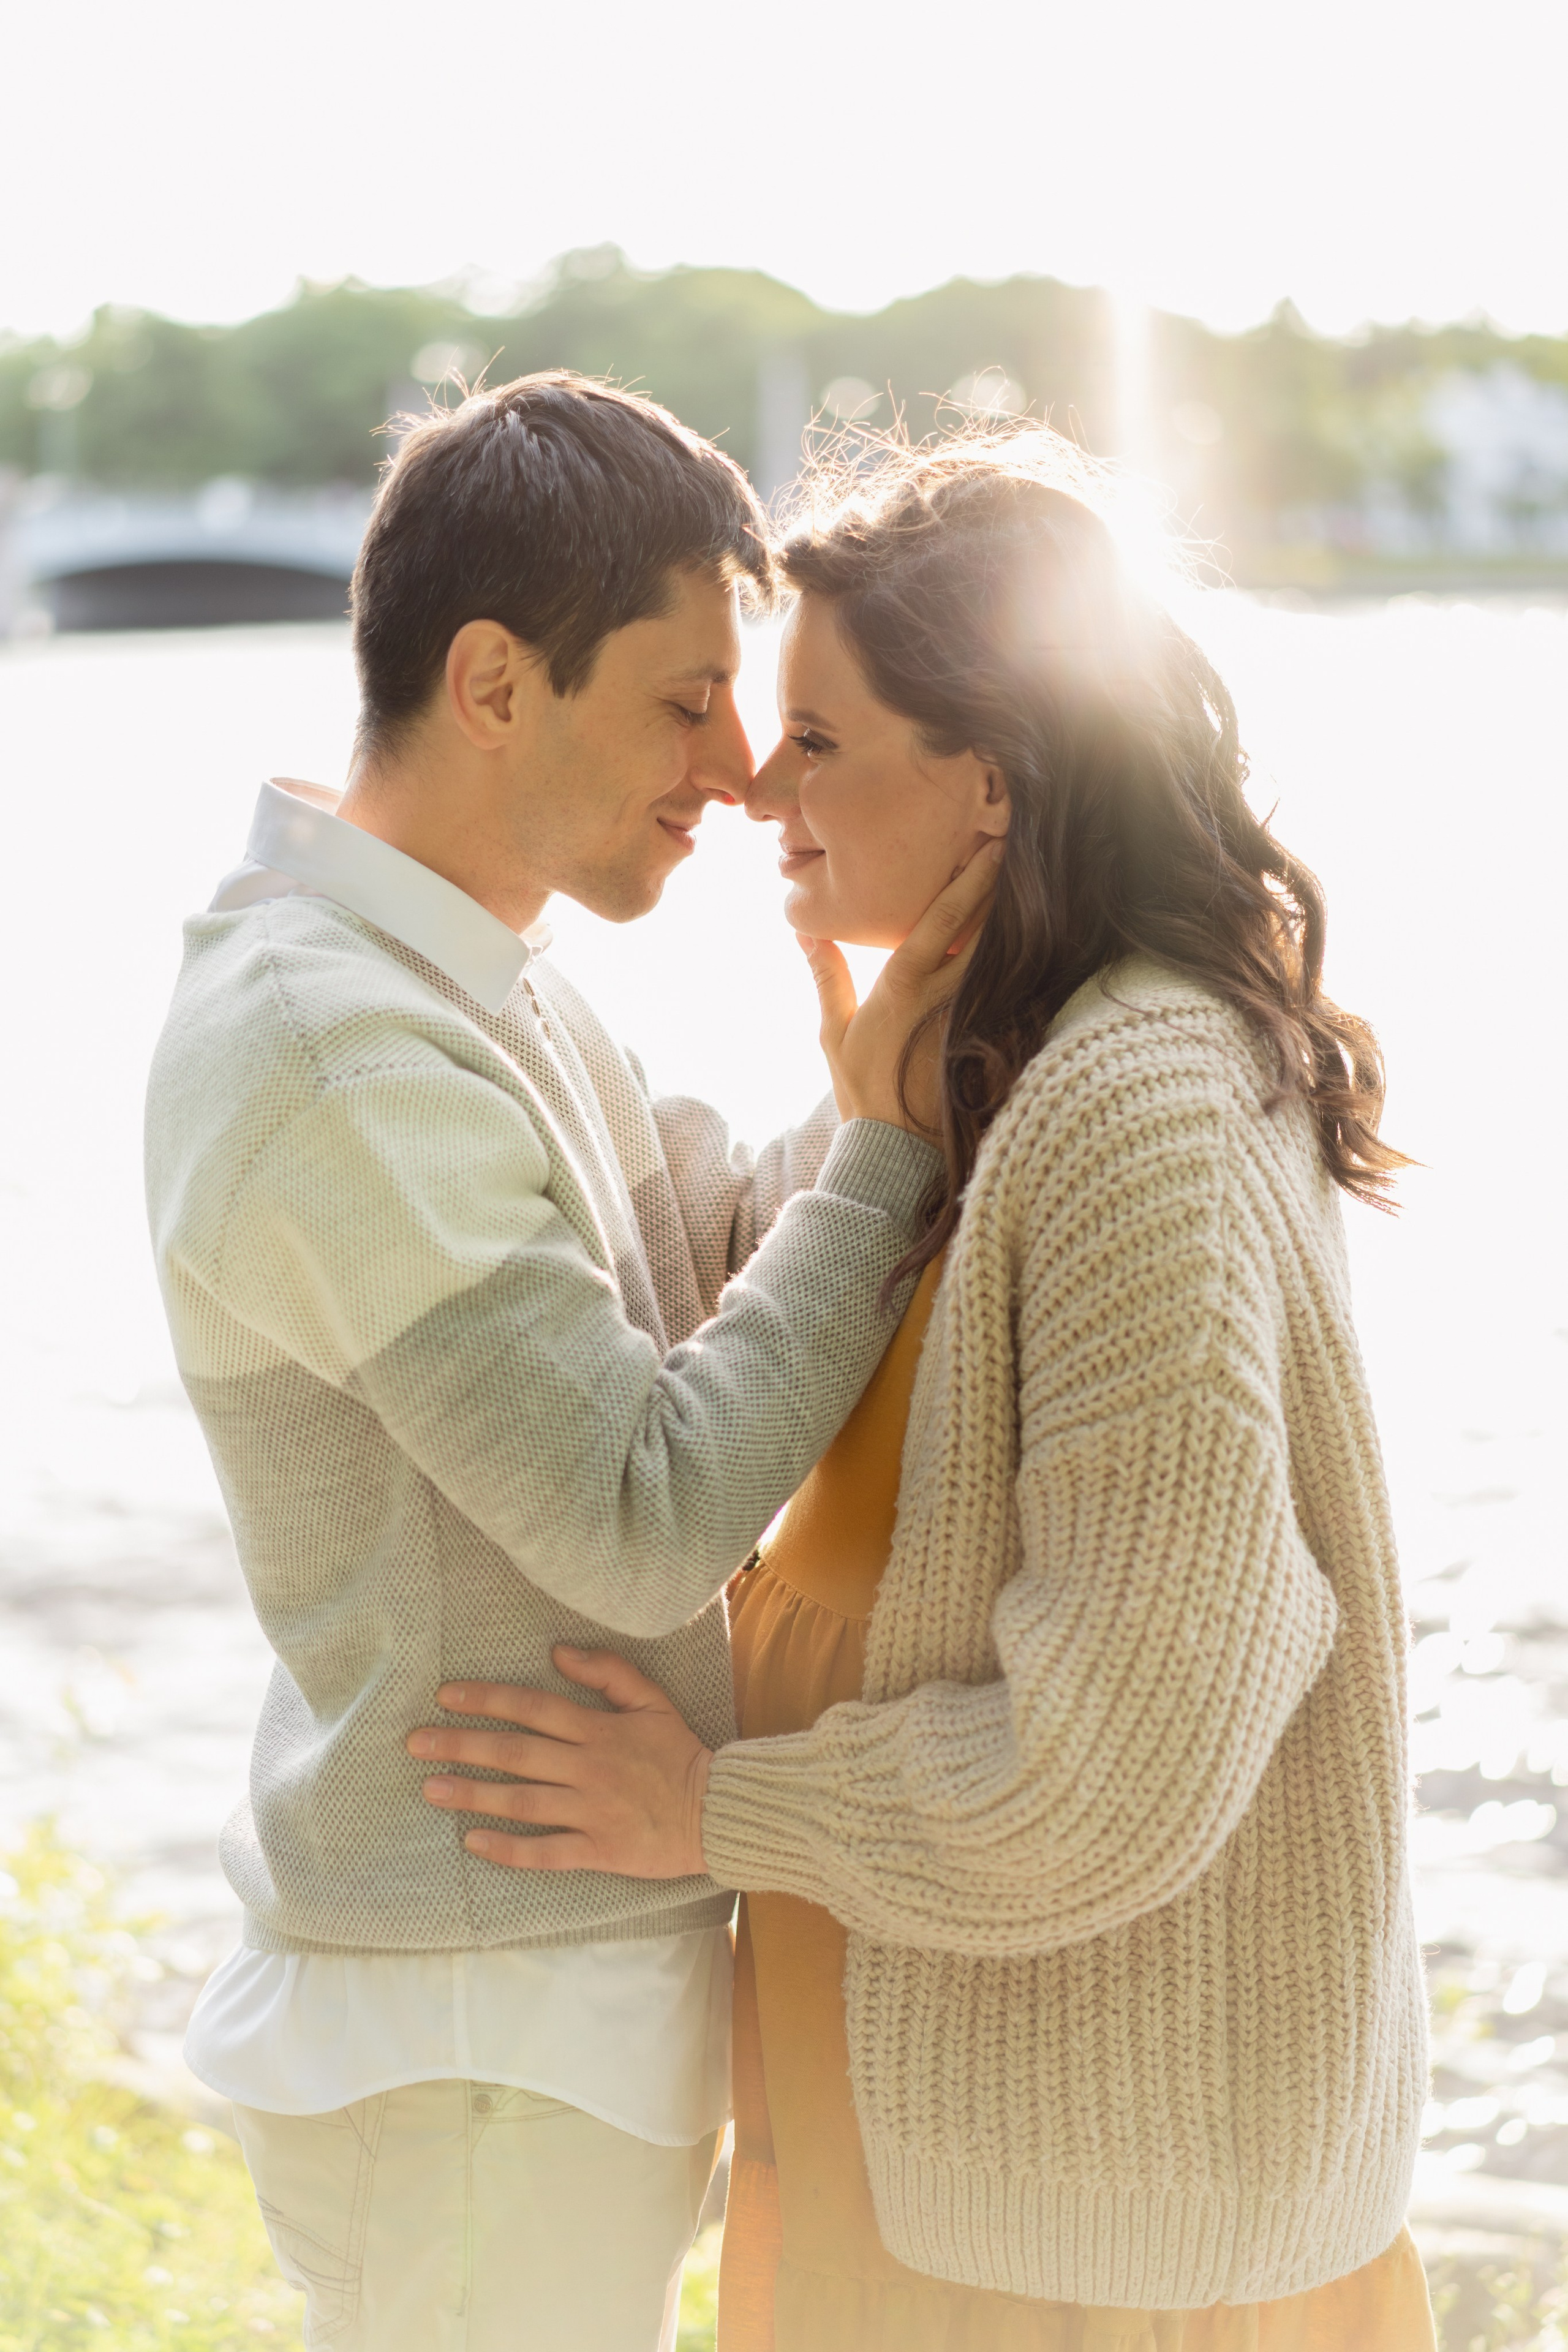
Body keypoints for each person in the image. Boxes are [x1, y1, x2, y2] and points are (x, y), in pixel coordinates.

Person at [409, 428, 1437, 2348]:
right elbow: (717, 1267)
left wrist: (712, 1813)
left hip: (1096, 2259)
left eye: (814, 738)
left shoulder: (1138, 1111)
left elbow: (1123, 1751)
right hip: (933, 2181)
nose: (756, 793)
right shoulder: (983, 1070)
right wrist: (462, 947)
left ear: (990, 778)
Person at [145, 374, 997, 2352]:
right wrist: (876, 1152)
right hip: (465, 2043)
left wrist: (941, 1050)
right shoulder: (331, 1054)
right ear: (497, 682)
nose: (738, 768)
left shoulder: (464, 970)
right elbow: (643, 1511)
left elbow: (704, 1260)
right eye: (685, 701)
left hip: (520, 2020)